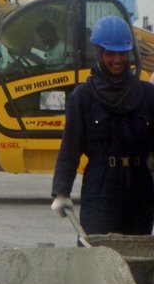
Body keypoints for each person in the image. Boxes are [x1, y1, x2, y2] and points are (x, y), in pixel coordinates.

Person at [51, 16, 154, 236]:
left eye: (122, 53)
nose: (117, 60)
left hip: (140, 188)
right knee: (96, 254)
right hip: (101, 187)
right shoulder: (83, 97)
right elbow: (70, 148)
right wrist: (61, 191)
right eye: (110, 54)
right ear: (98, 54)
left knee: (138, 255)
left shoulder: (147, 95)